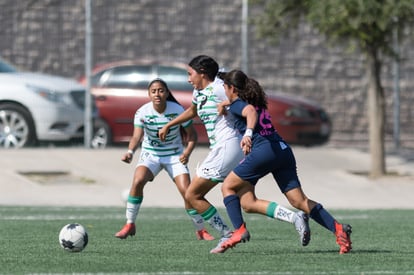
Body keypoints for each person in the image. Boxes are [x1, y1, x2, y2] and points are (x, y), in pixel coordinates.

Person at [158, 55, 310, 254]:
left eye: (190, 74)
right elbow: (193, 111)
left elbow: (249, 108)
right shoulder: (199, 91)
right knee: (248, 203)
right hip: (230, 150)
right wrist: (170, 124)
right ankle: (295, 218)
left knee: (192, 194)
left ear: (202, 73)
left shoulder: (221, 88)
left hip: (228, 148)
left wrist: (249, 132)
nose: (188, 79)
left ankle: (227, 234)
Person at [216, 69, 352, 254]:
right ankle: (338, 229)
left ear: (232, 88)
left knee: (228, 187)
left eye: (225, 87)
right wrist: (227, 104)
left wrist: (247, 134)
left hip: (264, 151)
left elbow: (248, 112)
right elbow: (247, 108)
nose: (224, 90)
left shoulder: (240, 105)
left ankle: (239, 231)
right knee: (296, 201)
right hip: (282, 150)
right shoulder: (255, 101)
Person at [114, 78, 214, 241]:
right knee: (138, 180)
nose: (157, 94)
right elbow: (136, 136)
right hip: (151, 155)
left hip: (174, 156)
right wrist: (130, 152)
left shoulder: (177, 110)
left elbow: (192, 135)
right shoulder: (142, 112)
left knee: (187, 193)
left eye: (161, 90)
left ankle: (201, 230)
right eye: (153, 91)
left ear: (167, 93)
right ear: (149, 94)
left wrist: (187, 153)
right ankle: (129, 224)